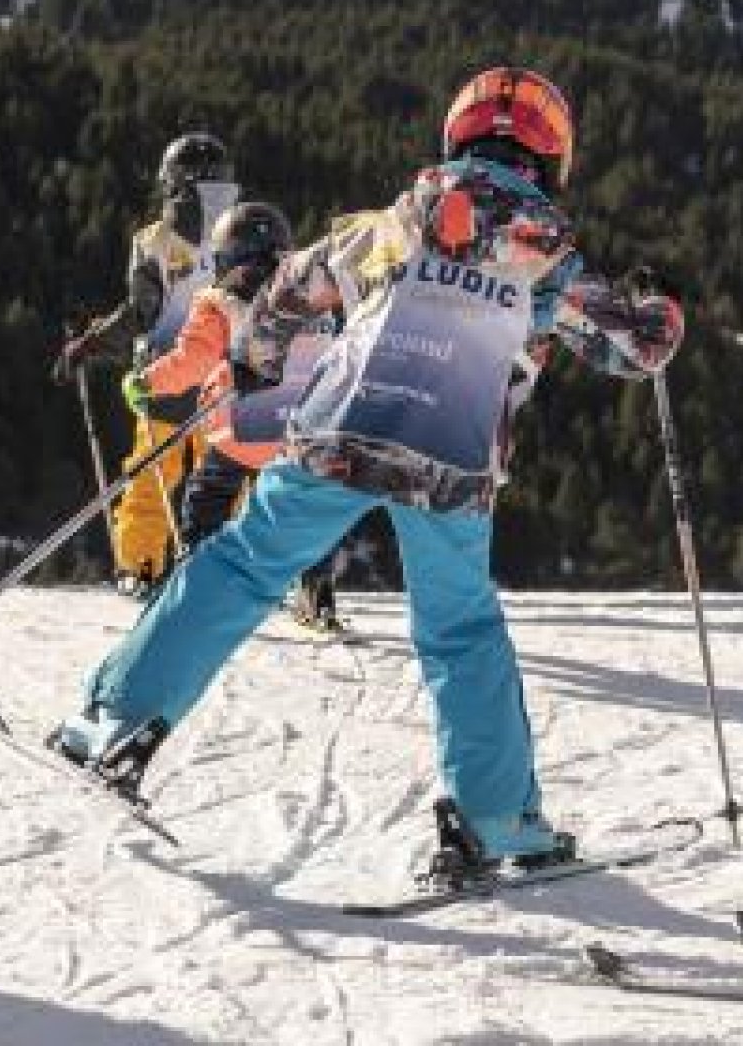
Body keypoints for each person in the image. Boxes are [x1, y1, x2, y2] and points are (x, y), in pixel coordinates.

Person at [50, 67, 683, 879]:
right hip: (450, 458)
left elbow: (288, 289)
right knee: (459, 629)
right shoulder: (548, 257)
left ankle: (111, 725)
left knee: (243, 564)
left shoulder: (392, 222)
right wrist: (661, 304)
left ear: (457, 137)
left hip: (340, 428)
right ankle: (494, 827)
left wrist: (257, 358)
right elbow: (637, 348)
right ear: (553, 154)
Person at [123, 199, 345, 629]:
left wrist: (145, 383)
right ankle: (318, 597)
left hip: (242, 429)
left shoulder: (220, 300)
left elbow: (192, 360)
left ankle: (196, 593)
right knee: (305, 513)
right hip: (304, 429)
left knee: (206, 502)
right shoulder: (314, 289)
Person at [58, 132, 238, 595]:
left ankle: (138, 567)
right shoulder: (245, 231)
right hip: (229, 380)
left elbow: (142, 312)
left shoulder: (154, 240)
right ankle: (228, 574)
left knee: (150, 478)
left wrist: (92, 343)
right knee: (224, 483)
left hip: (167, 376)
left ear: (174, 181)